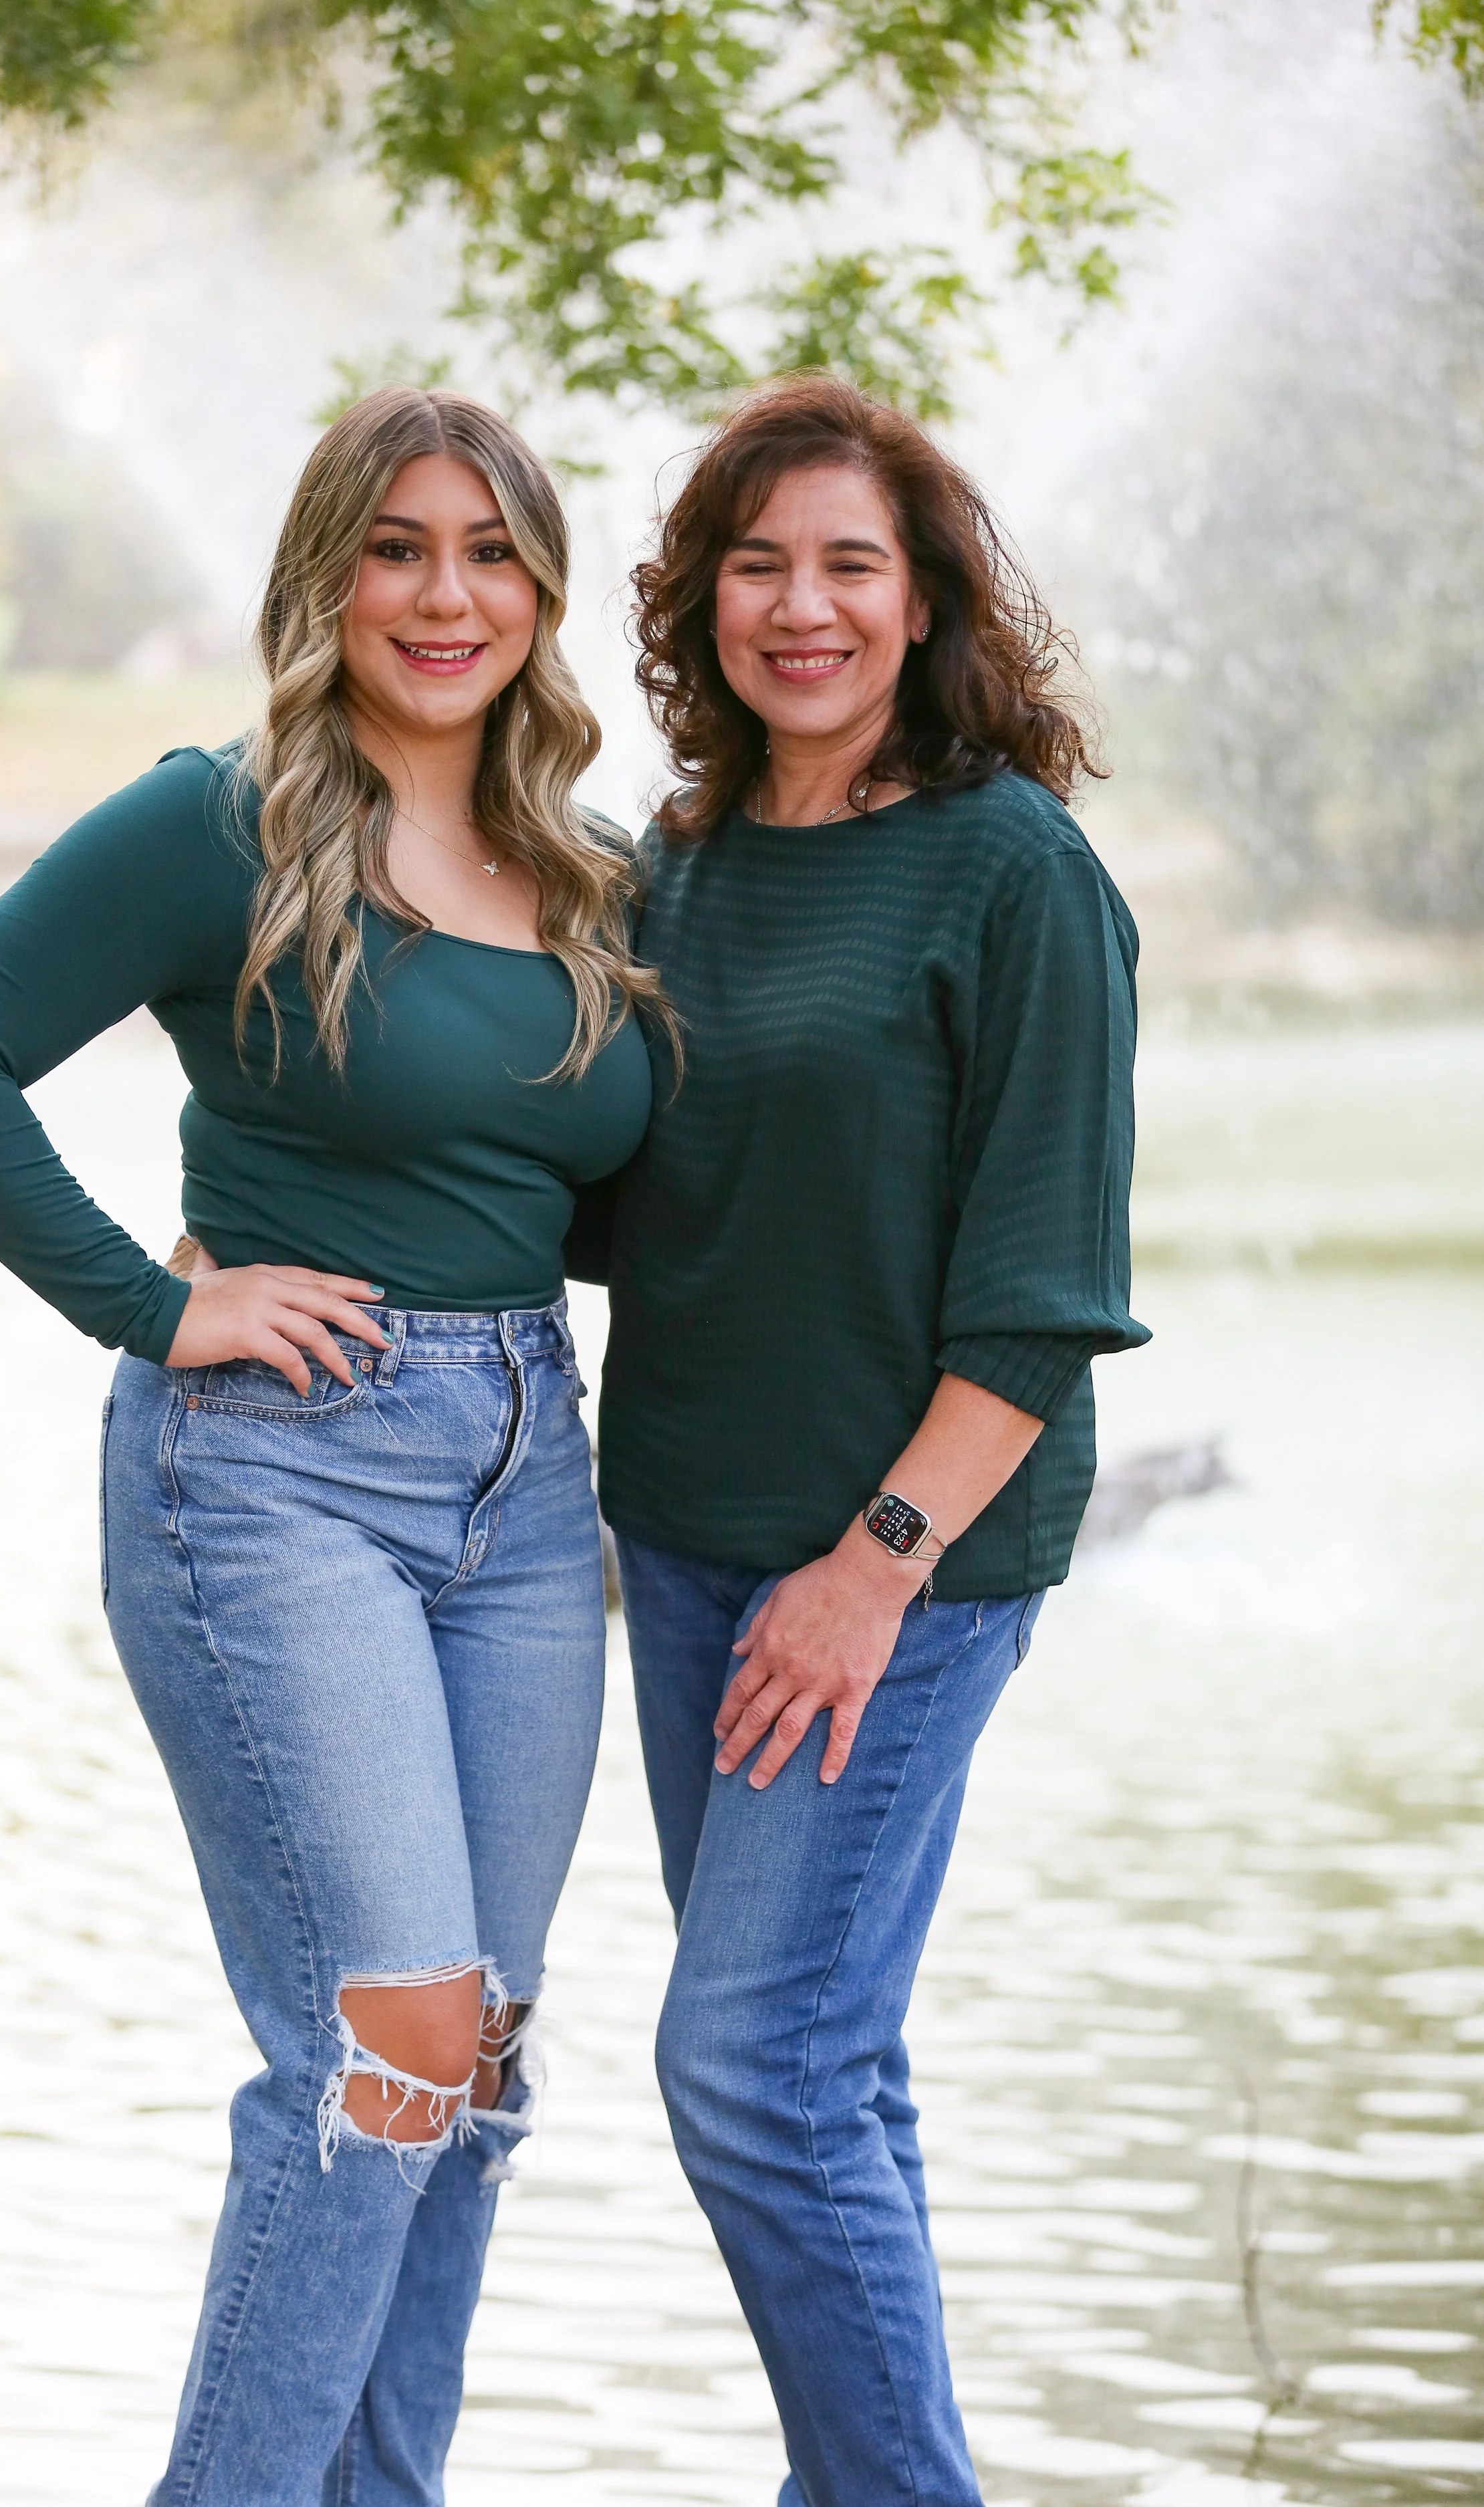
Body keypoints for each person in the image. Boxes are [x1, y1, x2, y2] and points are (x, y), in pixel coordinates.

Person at [0, 388, 664, 2507]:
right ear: (322, 578)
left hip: (523, 1474)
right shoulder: (217, 824)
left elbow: (566, 1190)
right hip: (281, 1467)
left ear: (541, 593)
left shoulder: (580, 865)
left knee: (475, 2066)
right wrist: (155, 1297)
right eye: (396, 545)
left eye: (489, 551)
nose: (444, 592)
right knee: (381, 2045)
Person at [588, 374, 1150, 2507]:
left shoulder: (1015, 874)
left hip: (894, 1566)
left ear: (923, 606)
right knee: (827, 2067)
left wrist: (872, 1566)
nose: (797, 607)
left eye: (847, 565)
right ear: (701, 604)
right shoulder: (681, 862)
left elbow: (1038, 1296)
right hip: (686, 1544)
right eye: (756, 565)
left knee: (745, 2067)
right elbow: (585, 1185)